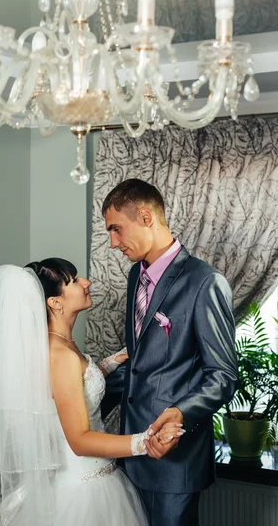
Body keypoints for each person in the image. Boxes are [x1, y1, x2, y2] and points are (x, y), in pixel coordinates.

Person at [0, 258, 184, 526]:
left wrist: (114, 360)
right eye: (74, 280)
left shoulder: (60, 344)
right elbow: (80, 441)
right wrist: (146, 442)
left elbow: (77, 385)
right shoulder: (60, 355)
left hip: (96, 477)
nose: (87, 282)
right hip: (82, 491)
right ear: (55, 303)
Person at [101, 178, 238, 526]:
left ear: (146, 217)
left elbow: (222, 375)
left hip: (174, 460)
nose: (113, 243)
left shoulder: (205, 282)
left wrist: (180, 413)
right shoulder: (136, 276)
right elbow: (139, 364)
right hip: (130, 452)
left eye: (117, 230)